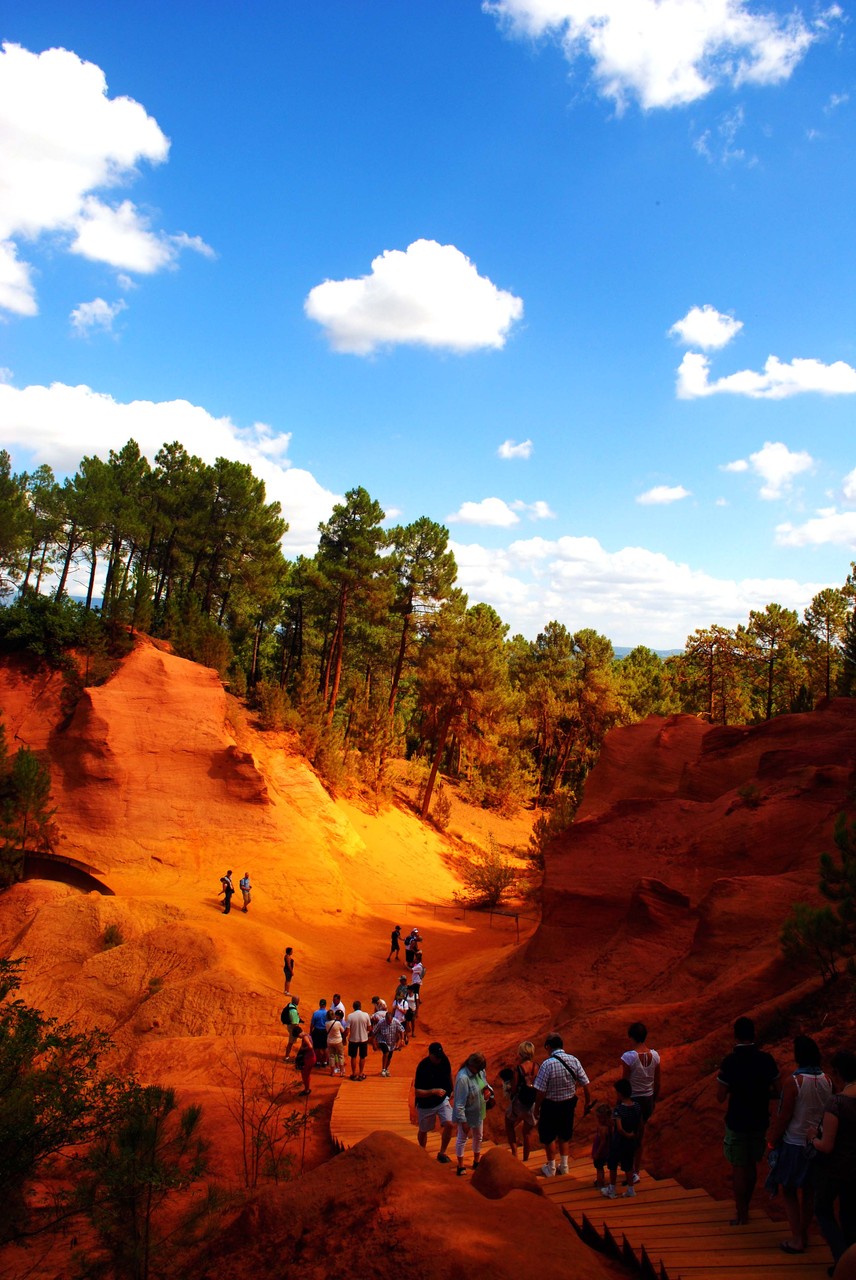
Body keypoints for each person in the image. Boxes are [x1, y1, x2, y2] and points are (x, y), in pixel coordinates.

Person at [765, 1034, 833, 1254]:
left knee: (790, 1191)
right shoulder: (828, 1081)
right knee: (810, 1192)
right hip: (816, 1143)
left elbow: (784, 1116)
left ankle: (797, 1238)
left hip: (794, 1143)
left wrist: (772, 1140)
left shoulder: (794, 1082)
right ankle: (803, 1234)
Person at [716, 1015, 779, 1226]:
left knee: (739, 1166)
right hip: (759, 1119)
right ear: (754, 1034)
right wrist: (762, 1092)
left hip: (737, 1119)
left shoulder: (730, 1061)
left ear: (735, 1036)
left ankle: (741, 1213)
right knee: (751, 1164)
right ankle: (747, 1208)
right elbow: (779, 1091)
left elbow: (720, 1096)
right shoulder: (766, 1060)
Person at [808, 1048, 856, 1270]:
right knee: (849, 1215)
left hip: (836, 1169)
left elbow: (826, 1145)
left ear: (837, 1073)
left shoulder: (837, 1103)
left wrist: (812, 1138)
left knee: (823, 1209)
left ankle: (842, 1261)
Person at [533, 1033, 592, 1178]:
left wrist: (536, 1108)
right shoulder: (574, 1060)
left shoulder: (547, 1064)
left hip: (550, 1105)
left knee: (549, 1136)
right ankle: (564, 1166)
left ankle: (551, 1168)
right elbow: (586, 1083)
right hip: (568, 1104)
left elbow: (540, 1090)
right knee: (564, 1134)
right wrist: (588, 1103)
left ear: (548, 1046)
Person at [621, 1021, 661, 1181]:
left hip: (632, 1099)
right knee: (640, 1136)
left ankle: (629, 1171)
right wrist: (654, 1099)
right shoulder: (656, 1056)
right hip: (648, 1099)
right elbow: (658, 1082)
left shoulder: (628, 1057)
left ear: (632, 1037)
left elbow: (624, 1083)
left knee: (628, 1135)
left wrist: (620, 1103)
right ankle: (636, 1171)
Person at [452, 1051, 492, 1177]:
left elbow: (485, 1084)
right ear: (473, 1066)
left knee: (478, 1136)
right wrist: (463, 1121)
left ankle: (476, 1161)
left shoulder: (480, 1072)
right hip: (467, 1113)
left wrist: (488, 1091)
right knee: (462, 1139)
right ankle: (460, 1165)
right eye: (479, 1068)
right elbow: (459, 1103)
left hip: (479, 1111)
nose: (481, 1071)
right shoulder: (463, 1078)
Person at [414, 1042, 455, 1164]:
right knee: (423, 1129)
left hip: (442, 1100)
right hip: (426, 1104)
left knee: (449, 1124)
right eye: (436, 1056)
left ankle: (442, 1153)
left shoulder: (444, 1060)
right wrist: (433, 1091)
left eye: (440, 1056)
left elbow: (449, 1073)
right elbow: (417, 1092)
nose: (439, 1059)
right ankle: (422, 1152)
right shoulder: (423, 1067)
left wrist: (452, 1089)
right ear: (430, 1054)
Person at [602, 1078, 642, 1199]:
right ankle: (631, 1190)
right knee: (628, 1165)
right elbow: (640, 1122)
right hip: (631, 1141)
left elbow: (619, 1128)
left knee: (613, 1164)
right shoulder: (637, 1106)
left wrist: (626, 1134)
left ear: (620, 1093)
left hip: (619, 1141)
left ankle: (612, 1190)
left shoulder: (619, 1109)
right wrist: (634, 1135)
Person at [503, 1040, 538, 1162]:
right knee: (527, 1132)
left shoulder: (519, 1069)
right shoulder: (536, 1066)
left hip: (519, 1103)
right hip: (532, 1103)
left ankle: (514, 1153)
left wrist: (508, 1089)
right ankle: (526, 1160)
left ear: (521, 1053)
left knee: (508, 1123)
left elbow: (513, 1088)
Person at [345, 1000, 372, 1081]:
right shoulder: (366, 1015)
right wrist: (365, 1032)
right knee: (362, 1057)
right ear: (360, 1007)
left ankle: (354, 1074)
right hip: (363, 1039)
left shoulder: (350, 1016)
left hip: (353, 1040)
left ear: (353, 1007)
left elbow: (347, 1030)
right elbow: (369, 1028)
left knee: (353, 1057)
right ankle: (361, 1073)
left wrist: (344, 1038)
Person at [374, 1008, 405, 1076]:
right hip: (382, 1040)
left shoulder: (396, 1022)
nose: (389, 1022)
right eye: (388, 1021)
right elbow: (374, 1031)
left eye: (390, 1021)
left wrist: (402, 1039)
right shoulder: (381, 1022)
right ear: (385, 1019)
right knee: (386, 1052)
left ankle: (386, 1068)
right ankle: (383, 1070)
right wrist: (374, 1042)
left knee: (389, 1056)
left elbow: (402, 1030)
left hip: (391, 1041)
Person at [592, 1103, 613, 1189]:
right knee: (601, 1167)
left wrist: (597, 1152)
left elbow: (603, 1142)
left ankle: (600, 1184)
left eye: (598, 1117)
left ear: (602, 1118)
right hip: (606, 1151)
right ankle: (602, 1181)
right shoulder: (610, 1126)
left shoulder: (602, 1128)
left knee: (599, 1169)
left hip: (601, 1152)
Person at [294, 1026, 316, 1096]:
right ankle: (307, 1089)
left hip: (308, 1058)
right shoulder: (307, 1035)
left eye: (298, 1036)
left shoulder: (304, 1037)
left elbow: (310, 1046)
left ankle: (306, 1090)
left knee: (305, 1076)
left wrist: (303, 1049)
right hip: (312, 1057)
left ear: (299, 1033)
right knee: (307, 1075)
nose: (298, 1037)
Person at [310, 999, 329, 1068]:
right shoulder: (327, 1013)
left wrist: (310, 1032)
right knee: (325, 1047)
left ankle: (318, 1062)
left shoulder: (316, 1013)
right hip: (325, 1032)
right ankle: (324, 1061)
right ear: (325, 1005)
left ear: (319, 1004)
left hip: (317, 1031)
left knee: (317, 1047)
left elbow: (312, 1024)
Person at [326, 1008, 345, 1076]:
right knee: (340, 1056)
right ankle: (342, 1072)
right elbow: (343, 1031)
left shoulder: (326, 1023)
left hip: (330, 1041)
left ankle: (332, 1072)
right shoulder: (338, 1023)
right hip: (338, 1041)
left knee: (331, 1056)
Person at [283, 995, 302, 1061]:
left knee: (291, 1042)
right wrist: (298, 1030)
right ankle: (287, 1057)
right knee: (290, 1042)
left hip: (290, 1026)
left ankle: (287, 1056)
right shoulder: (293, 1010)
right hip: (293, 1028)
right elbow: (294, 1023)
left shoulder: (290, 1005)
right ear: (297, 1001)